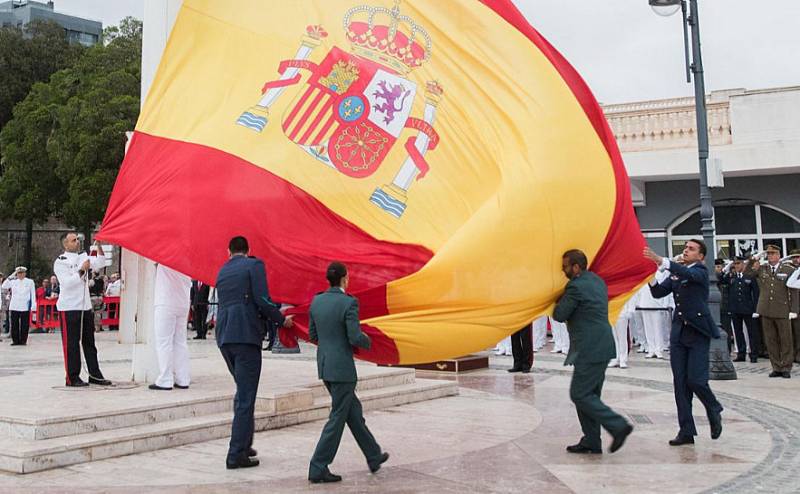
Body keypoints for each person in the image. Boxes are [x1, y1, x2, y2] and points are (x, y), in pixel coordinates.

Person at [215, 236, 292, 469]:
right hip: (245, 335)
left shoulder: (222, 270)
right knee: (246, 397)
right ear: (249, 250)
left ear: (228, 251)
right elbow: (263, 299)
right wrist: (281, 320)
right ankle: (235, 454)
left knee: (243, 392)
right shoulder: (254, 265)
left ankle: (245, 444)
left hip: (225, 337)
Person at [308, 261, 389, 482]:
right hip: (342, 368)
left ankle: (373, 455)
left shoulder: (316, 301)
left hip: (325, 365)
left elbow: (313, 335)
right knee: (337, 418)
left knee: (353, 412)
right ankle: (318, 466)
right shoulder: (349, 303)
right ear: (345, 278)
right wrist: (373, 342)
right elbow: (355, 336)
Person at [553, 249, 633, 455]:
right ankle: (591, 440)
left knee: (579, 394)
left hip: (588, 347)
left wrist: (556, 299)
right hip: (602, 344)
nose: (563, 271)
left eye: (565, 266)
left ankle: (618, 425)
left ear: (576, 267)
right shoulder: (597, 281)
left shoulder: (575, 287)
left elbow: (560, 315)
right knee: (590, 395)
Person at [644, 240, 723, 446]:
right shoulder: (678, 273)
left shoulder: (700, 272)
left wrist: (662, 260)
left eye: (691, 249)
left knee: (696, 380)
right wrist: (649, 277)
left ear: (701, 256)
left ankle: (713, 407)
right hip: (679, 333)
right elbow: (659, 292)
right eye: (685, 248)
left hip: (697, 332)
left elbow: (689, 274)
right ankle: (686, 430)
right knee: (680, 384)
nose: (686, 251)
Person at [53, 233, 112, 387]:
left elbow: (100, 262)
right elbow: (67, 283)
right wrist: (81, 271)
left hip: (84, 306)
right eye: (73, 240)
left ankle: (95, 374)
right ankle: (72, 377)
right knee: (71, 344)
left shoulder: (82, 256)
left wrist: (98, 245)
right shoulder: (61, 262)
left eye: (78, 240)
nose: (77, 242)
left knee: (89, 342)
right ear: (65, 244)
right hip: (69, 307)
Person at [748, 244, 799, 378]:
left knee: (785, 340)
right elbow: (748, 273)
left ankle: (786, 367)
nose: (770, 256)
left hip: (782, 309)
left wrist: (794, 309)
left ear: (779, 255)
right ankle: (776, 366)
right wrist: (754, 259)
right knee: (771, 340)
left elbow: (794, 290)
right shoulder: (762, 268)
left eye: (773, 253)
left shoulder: (788, 269)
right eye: (768, 254)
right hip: (765, 308)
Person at [149, 264, 192, 391]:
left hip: (165, 301)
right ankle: (183, 378)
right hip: (183, 302)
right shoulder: (186, 258)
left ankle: (165, 379)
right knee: (180, 342)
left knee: (164, 342)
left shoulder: (165, 255)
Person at [720, 256, 760, 362]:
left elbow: (756, 294)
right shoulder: (731, 277)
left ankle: (753, 354)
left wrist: (756, 309)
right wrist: (726, 268)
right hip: (735, 309)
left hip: (748, 309)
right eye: (735, 264)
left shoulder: (749, 276)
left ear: (743, 264)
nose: (736, 266)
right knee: (738, 332)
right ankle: (741, 354)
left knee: (752, 332)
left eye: (738, 264)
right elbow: (721, 279)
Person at [1, 267, 36, 346]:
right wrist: (12, 275)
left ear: (25, 273)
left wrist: (34, 304)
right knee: (14, 324)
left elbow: (33, 294)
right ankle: (15, 340)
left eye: (22, 273)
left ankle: (23, 340)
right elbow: (4, 286)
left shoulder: (30, 282)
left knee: (24, 324)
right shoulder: (13, 282)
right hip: (14, 305)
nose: (20, 275)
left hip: (25, 305)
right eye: (18, 273)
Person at [610, 292, 638, 369]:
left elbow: (631, 297)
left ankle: (623, 360)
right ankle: (615, 358)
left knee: (622, 337)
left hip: (622, 313)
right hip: (612, 312)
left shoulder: (625, 284)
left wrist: (630, 311)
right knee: (614, 338)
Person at [786, 249, 800, 363]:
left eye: (798, 257)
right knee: (795, 333)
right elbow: (789, 284)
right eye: (794, 257)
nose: (796, 259)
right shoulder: (791, 271)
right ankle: (796, 355)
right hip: (795, 307)